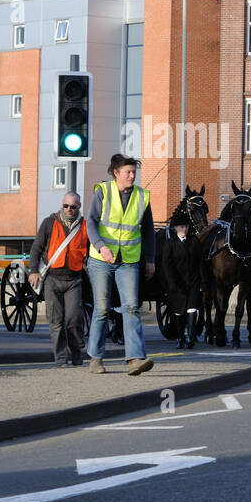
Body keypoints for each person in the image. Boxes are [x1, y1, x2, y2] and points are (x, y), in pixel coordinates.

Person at [85, 154, 155, 375]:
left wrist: (151, 259)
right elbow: (91, 223)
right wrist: (101, 247)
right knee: (102, 309)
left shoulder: (142, 196)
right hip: (101, 259)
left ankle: (134, 359)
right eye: (128, 172)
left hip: (129, 260)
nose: (132, 176)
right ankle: (95, 358)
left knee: (132, 307)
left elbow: (148, 231)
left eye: (134, 172)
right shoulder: (103, 192)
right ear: (116, 173)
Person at [28, 191, 89, 368]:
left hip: (74, 280)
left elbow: (94, 250)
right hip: (52, 279)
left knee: (74, 320)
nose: (69, 209)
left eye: (73, 206)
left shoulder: (85, 225)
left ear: (79, 207)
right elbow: (36, 248)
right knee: (56, 321)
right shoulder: (49, 223)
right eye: (66, 206)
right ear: (62, 205)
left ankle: (77, 354)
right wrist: (33, 271)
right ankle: (61, 359)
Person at [161, 209, 203, 349]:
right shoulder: (170, 243)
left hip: (192, 281)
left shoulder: (194, 241)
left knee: (192, 309)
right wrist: (171, 283)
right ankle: (180, 337)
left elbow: (200, 262)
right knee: (179, 311)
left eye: (186, 226)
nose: (184, 229)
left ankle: (190, 337)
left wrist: (203, 281)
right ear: (175, 228)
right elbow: (166, 264)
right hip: (177, 283)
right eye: (181, 227)